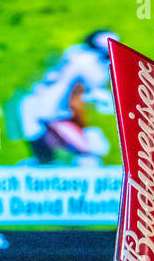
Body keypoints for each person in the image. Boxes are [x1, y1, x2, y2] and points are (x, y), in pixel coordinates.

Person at [16, 31, 116, 164]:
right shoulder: (88, 61)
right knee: (87, 153)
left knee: (48, 157)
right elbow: (94, 87)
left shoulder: (76, 54)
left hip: (38, 105)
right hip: (47, 108)